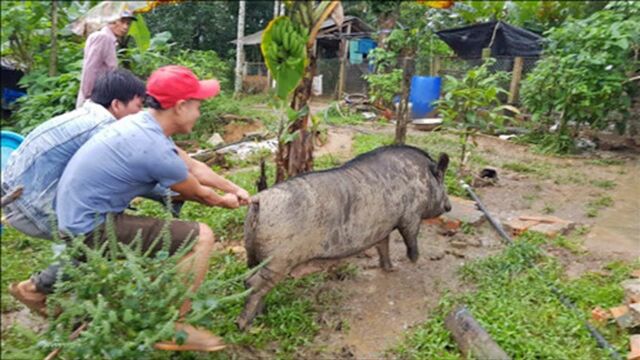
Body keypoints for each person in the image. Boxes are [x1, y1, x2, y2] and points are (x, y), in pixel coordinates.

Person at [55, 65, 247, 351]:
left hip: (75, 215)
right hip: (88, 227)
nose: (200, 112)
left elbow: (193, 165)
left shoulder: (144, 124)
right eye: (198, 105)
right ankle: (172, 327)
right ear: (180, 107)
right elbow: (201, 194)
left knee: (168, 240)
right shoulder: (153, 148)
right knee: (202, 236)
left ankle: (157, 299)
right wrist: (224, 200)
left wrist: (234, 188)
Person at [76, 9, 136, 108]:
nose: (125, 27)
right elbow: (90, 68)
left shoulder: (108, 39)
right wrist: (89, 96)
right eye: (122, 22)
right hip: (93, 99)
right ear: (112, 21)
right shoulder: (103, 38)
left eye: (128, 23)